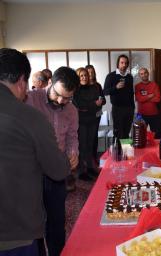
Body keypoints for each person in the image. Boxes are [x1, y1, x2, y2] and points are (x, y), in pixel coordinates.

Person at [0, 48, 69, 255]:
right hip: (15, 231)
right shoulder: (29, 116)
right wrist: (66, 162)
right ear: (22, 80)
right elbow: (57, 170)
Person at [26, 66, 79, 256]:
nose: (61, 101)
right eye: (58, 95)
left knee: (57, 220)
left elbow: (72, 136)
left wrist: (74, 152)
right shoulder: (29, 100)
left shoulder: (71, 110)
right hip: (31, 171)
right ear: (50, 83)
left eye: (67, 97)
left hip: (57, 170)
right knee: (34, 222)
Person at [73, 67, 102, 180]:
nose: (84, 77)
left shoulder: (94, 87)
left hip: (93, 120)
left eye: (85, 75)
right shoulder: (76, 89)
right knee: (82, 146)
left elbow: (100, 100)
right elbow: (80, 105)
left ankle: (90, 168)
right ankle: (81, 171)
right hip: (81, 121)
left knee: (90, 146)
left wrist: (93, 104)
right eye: (81, 76)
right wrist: (94, 104)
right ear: (78, 78)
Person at [103, 54, 134, 139]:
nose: (124, 65)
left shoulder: (129, 77)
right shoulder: (111, 76)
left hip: (129, 109)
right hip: (117, 109)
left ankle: (125, 151)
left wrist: (133, 108)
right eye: (122, 62)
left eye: (126, 63)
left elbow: (131, 94)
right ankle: (118, 152)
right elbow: (105, 92)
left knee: (126, 133)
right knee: (118, 133)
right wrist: (115, 87)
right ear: (118, 64)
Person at [85, 64, 106, 165]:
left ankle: (94, 158)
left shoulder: (98, 85)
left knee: (94, 137)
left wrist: (101, 101)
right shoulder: (83, 86)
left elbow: (104, 99)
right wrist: (94, 103)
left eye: (92, 72)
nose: (90, 74)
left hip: (97, 115)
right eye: (88, 72)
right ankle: (87, 160)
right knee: (86, 138)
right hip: (86, 116)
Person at [135, 67, 161, 138]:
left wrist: (144, 98)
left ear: (148, 73)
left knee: (156, 135)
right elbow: (139, 99)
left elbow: (158, 99)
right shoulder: (137, 86)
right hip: (141, 114)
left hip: (154, 114)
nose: (144, 75)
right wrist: (150, 96)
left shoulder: (154, 85)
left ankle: (156, 149)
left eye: (145, 73)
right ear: (139, 75)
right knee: (140, 135)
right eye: (141, 74)